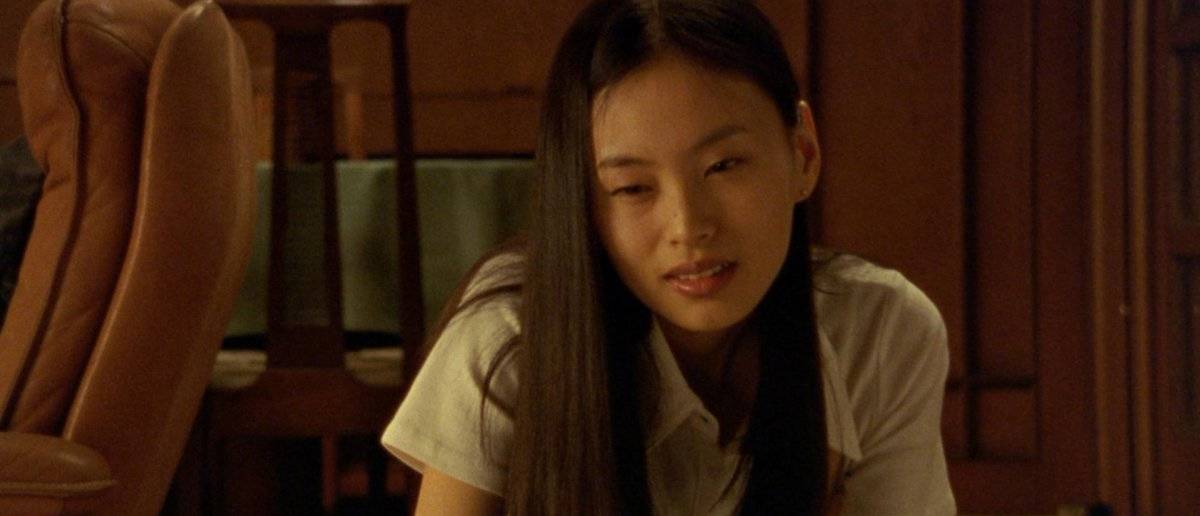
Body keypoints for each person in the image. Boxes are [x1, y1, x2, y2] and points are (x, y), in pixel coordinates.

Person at [381, 0, 956, 514]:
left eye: (724, 166)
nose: (688, 227)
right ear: (580, 202)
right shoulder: (512, 338)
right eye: (633, 188)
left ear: (802, 152)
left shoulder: (878, 331)